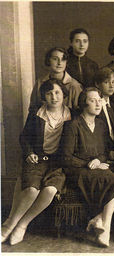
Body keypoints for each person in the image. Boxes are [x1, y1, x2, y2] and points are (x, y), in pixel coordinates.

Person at [1, 79, 71, 245]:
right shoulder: (37, 113)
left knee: (50, 190)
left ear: (64, 94)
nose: (54, 97)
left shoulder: (70, 115)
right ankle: (9, 225)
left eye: (57, 92)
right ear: (44, 96)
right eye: (49, 93)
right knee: (32, 190)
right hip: (38, 158)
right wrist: (29, 153)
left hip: (57, 163)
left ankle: (22, 225)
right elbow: (25, 137)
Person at [61, 87, 114, 247]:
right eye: (93, 100)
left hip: (96, 166)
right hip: (77, 170)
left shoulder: (101, 124)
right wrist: (87, 164)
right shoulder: (73, 125)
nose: (98, 104)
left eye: (99, 100)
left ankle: (101, 219)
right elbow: (65, 157)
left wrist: (99, 160)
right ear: (84, 103)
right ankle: (105, 229)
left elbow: (105, 151)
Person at [29, 47, 82, 114]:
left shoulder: (74, 86)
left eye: (63, 59)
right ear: (48, 60)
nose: (59, 63)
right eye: (55, 59)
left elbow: (80, 113)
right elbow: (33, 109)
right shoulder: (40, 83)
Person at [94, 67, 114, 159]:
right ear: (97, 84)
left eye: (113, 82)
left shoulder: (112, 107)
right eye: (106, 82)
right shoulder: (95, 108)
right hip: (100, 154)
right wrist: (109, 154)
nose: (111, 86)